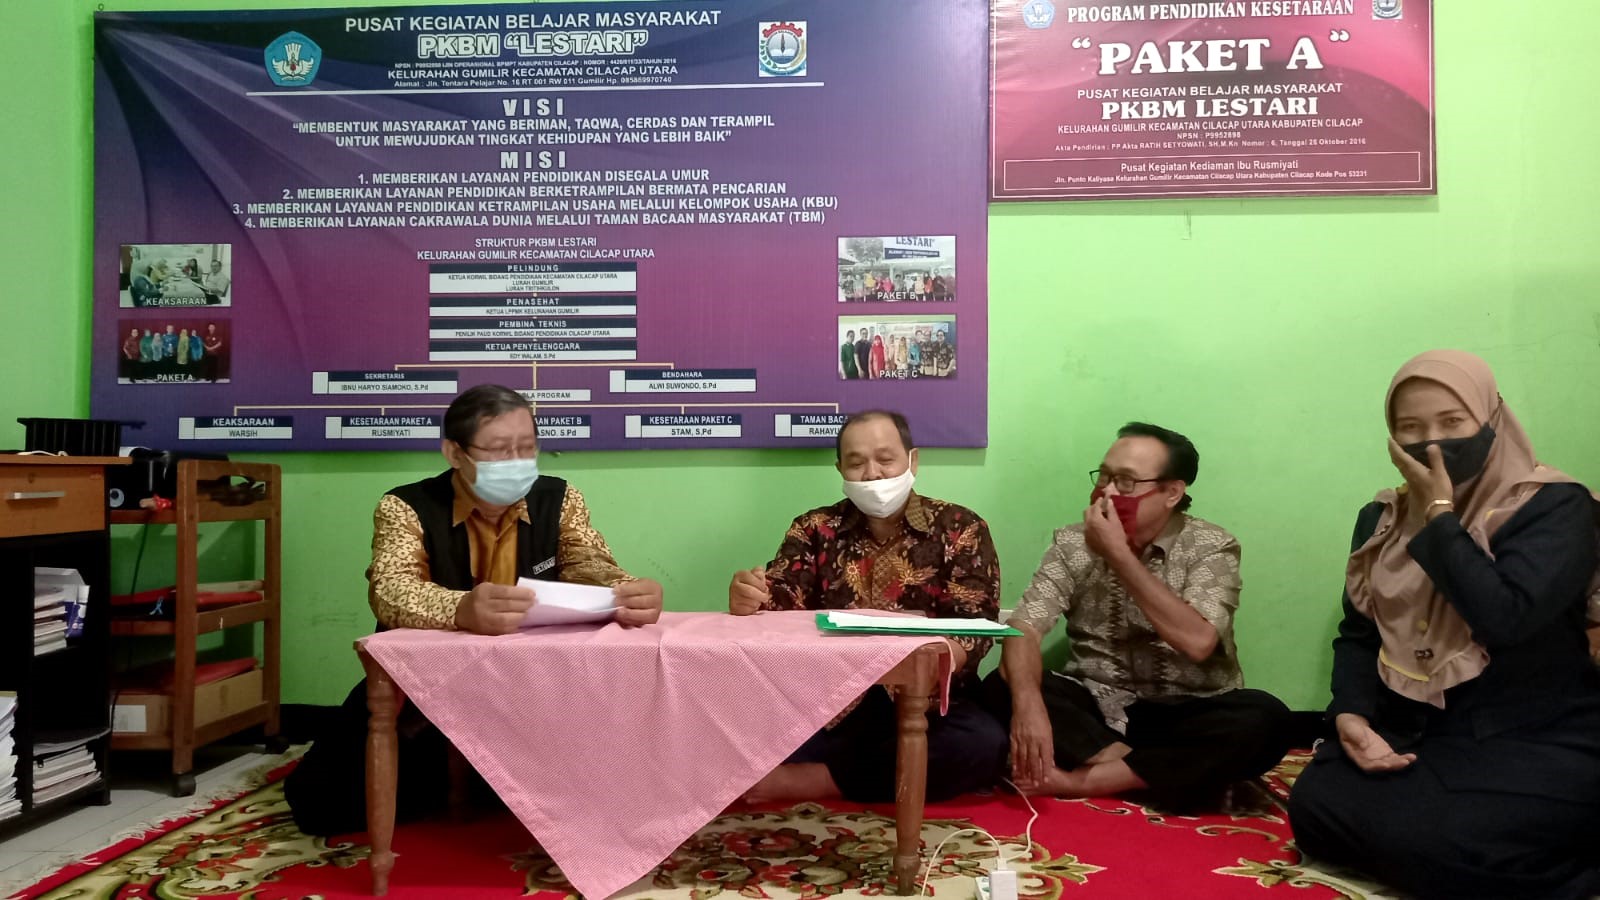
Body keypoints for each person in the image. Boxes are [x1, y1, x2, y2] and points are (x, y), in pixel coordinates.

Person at [285, 384, 667, 836]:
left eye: (527, 448)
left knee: (602, 784)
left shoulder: (560, 498)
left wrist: (625, 590)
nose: (517, 462)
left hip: (535, 683)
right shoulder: (404, 506)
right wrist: (461, 608)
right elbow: (391, 590)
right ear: (455, 453)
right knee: (319, 801)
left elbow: (588, 563)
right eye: (500, 450)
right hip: (427, 687)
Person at [1287, 350, 1600, 900]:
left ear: (1492, 419)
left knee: (1440, 840)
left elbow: (1505, 616)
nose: (1431, 443)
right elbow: (1360, 632)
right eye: (1410, 428)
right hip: (1423, 731)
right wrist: (1351, 715)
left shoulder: (1555, 506)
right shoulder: (1382, 519)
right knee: (1315, 805)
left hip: (1535, 733)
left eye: (1453, 422)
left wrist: (1438, 516)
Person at [983, 423, 1291, 810]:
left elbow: (1198, 641)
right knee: (999, 686)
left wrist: (1119, 555)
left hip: (1187, 710)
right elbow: (1024, 627)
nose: (1109, 492)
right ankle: (1165, 773)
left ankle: (1081, 781)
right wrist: (1028, 707)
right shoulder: (1072, 542)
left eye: (1126, 482)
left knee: (1266, 719)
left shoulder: (1212, 546)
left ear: (1172, 493)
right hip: (1099, 711)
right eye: (1105, 476)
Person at [728, 410, 1007, 803]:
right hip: (831, 702)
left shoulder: (961, 528)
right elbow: (780, 600)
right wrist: (750, 597)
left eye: (885, 459)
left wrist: (935, 663)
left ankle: (821, 780)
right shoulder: (813, 529)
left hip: (931, 705)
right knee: (738, 733)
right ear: (840, 469)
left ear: (913, 461)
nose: (872, 474)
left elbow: (975, 624)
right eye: (856, 463)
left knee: (983, 743)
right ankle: (870, 770)